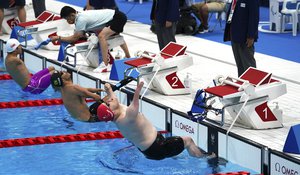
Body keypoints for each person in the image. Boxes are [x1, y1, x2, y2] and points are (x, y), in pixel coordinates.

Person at [51, 71, 209, 160]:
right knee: (187, 140)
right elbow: (135, 100)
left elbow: (114, 100)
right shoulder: (129, 115)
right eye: (108, 103)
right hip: (156, 148)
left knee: (172, 148)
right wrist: (139, 86)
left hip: (148, 149)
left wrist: (108, 90)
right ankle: (205, 158)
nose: (110, 101)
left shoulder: (116, 117)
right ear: (110, 109)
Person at [50, 6, 131, 73]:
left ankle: (105, 65)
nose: (68, 21)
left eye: (67, 18)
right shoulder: (79, 16)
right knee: (117, 37)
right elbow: (82, 34)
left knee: (101, 37)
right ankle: (128, 56)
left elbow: (74, 38)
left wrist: (58, 37)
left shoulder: (81, 20)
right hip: (115, 16)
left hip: (117, 18)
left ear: (72, 15)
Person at [223, 0, 259, 76]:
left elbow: (254, 17)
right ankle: (242, 82)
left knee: (248, 64)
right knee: (239, 64)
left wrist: (251, 35)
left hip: (245, 36)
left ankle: (252, 84)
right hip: (234, 33)